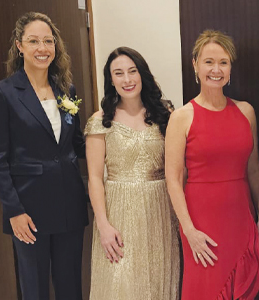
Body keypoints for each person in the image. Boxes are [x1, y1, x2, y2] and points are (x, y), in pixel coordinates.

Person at [0, 12, 88, 300]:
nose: (42, 48)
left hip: (70, 203)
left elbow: (76, 144)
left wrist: (109, 128)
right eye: (33, 41)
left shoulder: (65, 90)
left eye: (48, 41)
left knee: (71, 288)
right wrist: (14, 211)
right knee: (35, 290)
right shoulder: (2, 93)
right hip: (29, 210)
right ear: (19, 46)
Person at [165, 30, 259, 300]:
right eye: (209, 62)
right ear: (195, 64)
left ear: (231, 68)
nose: (216, 69)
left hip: (241, 216)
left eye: (223, 62)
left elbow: (253, 167)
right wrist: (189, 230)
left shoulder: (246, 112)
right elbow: (173, 179)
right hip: (200, 222)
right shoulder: (182, 117)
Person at [84, 46, 180, 300]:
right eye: (118, 73)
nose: (127, 80)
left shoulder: (165, 114)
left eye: (132, 71)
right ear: (111, 80)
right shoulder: (100, 120)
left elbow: (179, 168)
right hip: (118, 213)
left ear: (142, 74)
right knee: (121, 284)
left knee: (158, 280)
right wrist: (103, 225)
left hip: (160, 210)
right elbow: (94, 178)